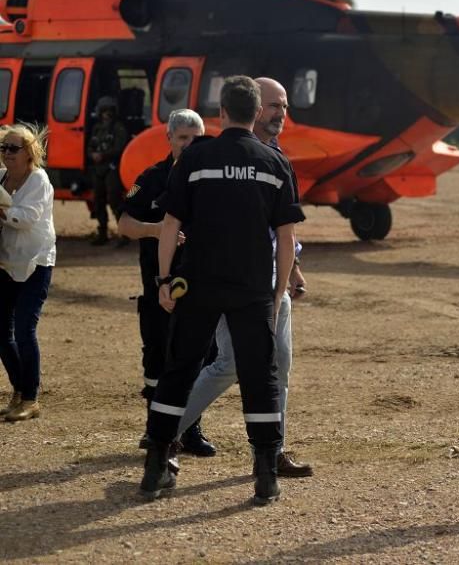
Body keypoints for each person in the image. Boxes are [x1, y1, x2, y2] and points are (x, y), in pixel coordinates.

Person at [140, 76, 304, 505]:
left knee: (179, 370)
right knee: (260, 376)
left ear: (222, 113)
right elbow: (285, 238)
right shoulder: (274, 163)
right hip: (252, 288)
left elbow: (170, 224)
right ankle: (265, 474)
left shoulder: (196, 157)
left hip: (198, 285)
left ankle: (155, 466)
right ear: (255, 113)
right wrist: (278, 291)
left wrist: (162, 281)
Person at [175, 78, 313, 477]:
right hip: (231, 282)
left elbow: (283, 228)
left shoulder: (277, 157)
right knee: (231, 364)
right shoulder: (218, 157)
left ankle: (274, 449)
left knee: (278, 369)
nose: (280, 113)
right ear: (253, 109)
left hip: (273, 282)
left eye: (284, 105)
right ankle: (166, 430)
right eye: (273, 105)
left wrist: (293, 269)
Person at [119, 109, 216, 456]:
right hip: (158, 285)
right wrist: (157, 230)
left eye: (196, 138)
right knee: (157, 359)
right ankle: (154, 430)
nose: (189, 145)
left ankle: (190, 430)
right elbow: (124, 223)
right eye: (183, 138)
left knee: (200, 359)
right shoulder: (152, 178)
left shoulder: (211, 180)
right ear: (169, 139)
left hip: (200, 286)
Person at [0, 124, 56, 422]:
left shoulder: (39, 180)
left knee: (24, 329)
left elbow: (25, 218)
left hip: (36, 263)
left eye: (13, 148)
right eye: (4, 148)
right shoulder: (1, 178)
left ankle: (31, 398)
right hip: (6, 264)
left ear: (30, 152)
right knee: (1, 332)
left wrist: (1, 211)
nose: (7, 153)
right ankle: (19, 391)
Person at [87, 96, 129, 246]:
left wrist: (103, 155)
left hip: (112, 168)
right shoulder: (97, 128)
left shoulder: (119, 128)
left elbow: (120, 148)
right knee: (98, 200)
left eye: (109, 111)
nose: (106, 114)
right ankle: (102, 232)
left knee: (114, 200)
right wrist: (92, 155)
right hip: (98, 169)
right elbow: (90, 146)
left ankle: (124, 234)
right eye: (104, 111)